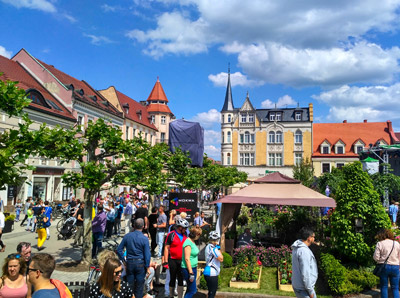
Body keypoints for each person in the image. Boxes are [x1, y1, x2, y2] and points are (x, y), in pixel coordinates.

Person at [117, 218, 151, 298]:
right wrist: (147, 267)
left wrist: (123, 261)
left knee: (129, 286)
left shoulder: (127, 236)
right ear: (143, 226)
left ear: (134, 226)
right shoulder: (144, 238)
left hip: (130, 262)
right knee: (139, 286)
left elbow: (119, 250)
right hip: (140, 263)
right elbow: (147, 255)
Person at [164, 218, 189, 298]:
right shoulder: (171, 235)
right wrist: (165, 261)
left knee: (181, 279)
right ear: (179, 227)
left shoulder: (185, 236)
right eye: (184, 228)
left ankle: (180, 296)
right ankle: (171, 295)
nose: (186, 230)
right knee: (172, 278)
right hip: (173, 259)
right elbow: (166, 248)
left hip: (182, 260)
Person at [373, 228, 400, 298]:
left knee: (384, 287)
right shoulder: (396, 243)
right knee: (395, 288)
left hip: (384, 267)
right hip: (395, 267)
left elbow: (376, 257)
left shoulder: (380, 243)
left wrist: (380, 260)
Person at [291, 227, 318, 298]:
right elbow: (305, 273)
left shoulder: (297, 248)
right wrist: (311, 291)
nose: (314, 239)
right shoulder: (304, 252)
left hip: (299, 286)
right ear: (309, 238)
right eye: (313, 237)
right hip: (304, 289)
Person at [181, 227, 202, 298]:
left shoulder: (192, 241)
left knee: (189, 289)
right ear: (196, 234)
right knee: (193, 291)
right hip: (188, 269)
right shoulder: (187, 243)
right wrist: (190, 272)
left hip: (193, 267)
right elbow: (187, 258)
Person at [204, 231, 223, 298]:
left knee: (210, 292)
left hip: (208, 270)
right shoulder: (213, 248)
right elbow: (221, 258)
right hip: (212, 272)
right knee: (212, 293)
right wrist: (219, 249)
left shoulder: (208, 246)